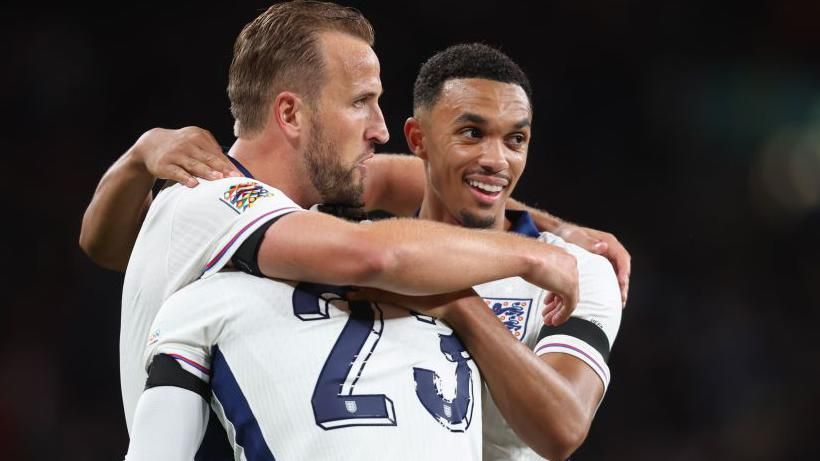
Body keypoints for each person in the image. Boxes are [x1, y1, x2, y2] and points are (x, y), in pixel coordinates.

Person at [79, 0, 583, 448]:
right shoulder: (207, 194)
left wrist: (536, 222)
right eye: (361, 101)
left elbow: (406, 181)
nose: (380, 129)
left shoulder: (295, 221)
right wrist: (533, 253)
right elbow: (377, 254)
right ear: (291, 115)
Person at [350, 43, 622, 460]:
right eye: (472, 133)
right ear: (417, 139)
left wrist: (457, 303)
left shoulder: (575, 271)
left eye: (516, 139)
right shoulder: (361, 250)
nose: (497, 160)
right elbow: (372, 178)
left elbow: (561, 429)